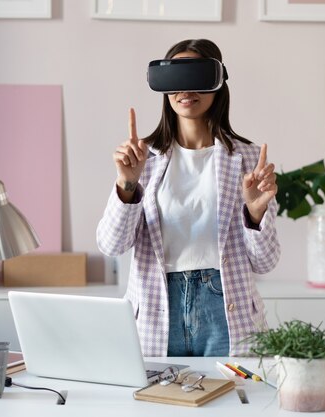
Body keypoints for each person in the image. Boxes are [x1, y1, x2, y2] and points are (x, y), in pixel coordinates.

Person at [97, 39, 280, 357]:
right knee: (158, 403)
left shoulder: (249, 159)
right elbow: (112, 245)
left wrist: (254, 213)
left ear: (218, 82)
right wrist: (128, 183)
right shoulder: (142, 157)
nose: (186, 90)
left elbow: (265, 263)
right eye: (176, 79)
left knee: (231, 402)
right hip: (157, 307)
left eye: (197, 77)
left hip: (226, 307)